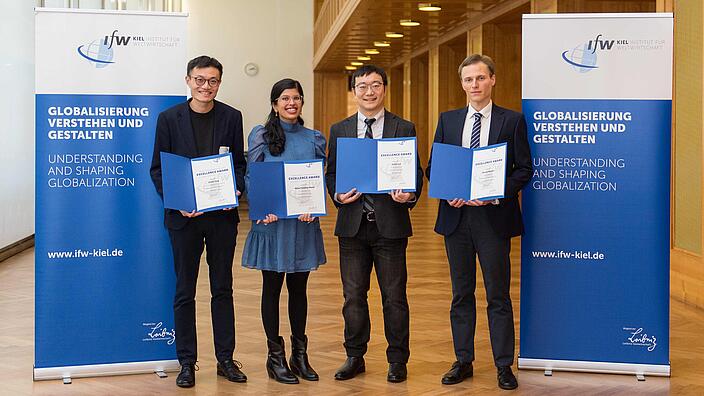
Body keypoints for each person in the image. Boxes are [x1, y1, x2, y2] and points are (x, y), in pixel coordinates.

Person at [426, 54, 532, 390]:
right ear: (462, 84)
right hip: (457, 219)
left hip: (493, 218)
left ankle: (503, 365)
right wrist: (447, 190)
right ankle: (463, 360)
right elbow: (434, 167)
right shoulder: (448, 120)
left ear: (493, 80)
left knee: (498, 295)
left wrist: (496, 192)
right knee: (461, 294)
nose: (475, 85)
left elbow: (524, 170)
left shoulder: (512, 120)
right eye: (469, 80)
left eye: (481, 78)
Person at [150, 55, 247, 388]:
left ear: (220, 83)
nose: (206, 86)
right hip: (184, 220)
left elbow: (240, 164)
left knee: (223, 288)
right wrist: (177, 203)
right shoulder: (168, 119)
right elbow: (157, 169)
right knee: (184, 291)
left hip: (221, 218)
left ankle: (225, 359)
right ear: (188, 80)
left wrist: (236, 186)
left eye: (213, 81)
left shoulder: (232, 117)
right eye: (200, 80)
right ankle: (187, 362)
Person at [325, 64, 424, 383]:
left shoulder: (403, 126)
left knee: (394, 296)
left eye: (375, 85)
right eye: (362, 85)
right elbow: (331, 173)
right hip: (352, 226)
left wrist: (408, 194)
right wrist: (338, 195)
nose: (369, 91)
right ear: (353, 90)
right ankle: (355, 356)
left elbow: (416, 173)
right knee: (353, 296)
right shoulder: (339, 129)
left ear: (385, 88)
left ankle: (398, 360)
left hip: (390, 225)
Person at [241, 78, 326, 384]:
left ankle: (299, 355)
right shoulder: (261, 135)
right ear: (275, 104)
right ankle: (274, 357)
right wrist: (262, 209)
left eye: (297, 98)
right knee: (272, 289)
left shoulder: (314, 137)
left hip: (302, 225)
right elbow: (253, 177)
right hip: (273, 225)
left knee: (300, 290)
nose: (292, 103)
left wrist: (313, 207)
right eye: (285, 98)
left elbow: (318, 181)